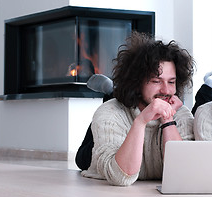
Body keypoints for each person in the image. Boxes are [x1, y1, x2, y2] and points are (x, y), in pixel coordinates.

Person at [80, 32, 195, 186]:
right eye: (156, 81)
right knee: (81, 159)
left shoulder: (181, 114)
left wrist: (167, 119)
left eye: (171, 82)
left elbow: (182, 174)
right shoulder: (109, 112)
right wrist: (141, 121)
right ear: (137, 81)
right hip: (98, 154)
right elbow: (121, 177)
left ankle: (113, 91)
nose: (166, 90)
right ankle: (112, 93)